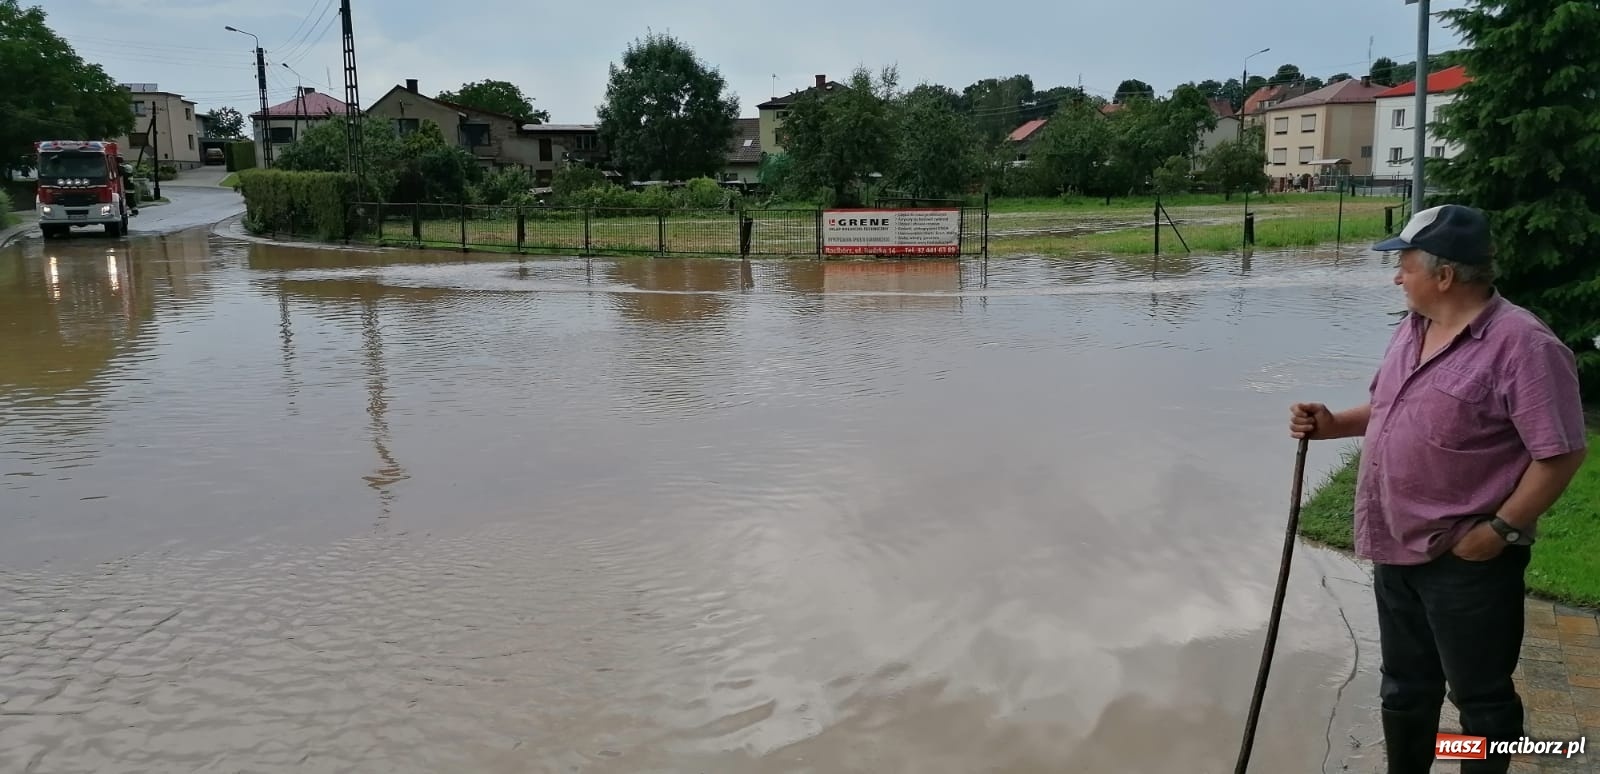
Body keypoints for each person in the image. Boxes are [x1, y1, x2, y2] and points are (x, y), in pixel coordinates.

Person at [1289, 204, 1588, 774]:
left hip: (1467, 562)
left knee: (1481, 702)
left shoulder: (1524, 346)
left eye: (1404, 265)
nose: (1396, 277)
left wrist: (1498, 532)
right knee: (1405, 688)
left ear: (1444, 275)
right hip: (1396, 546)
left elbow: (1562, 453)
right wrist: (1332, 425)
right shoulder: (1413, 327)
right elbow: (1390, 407)